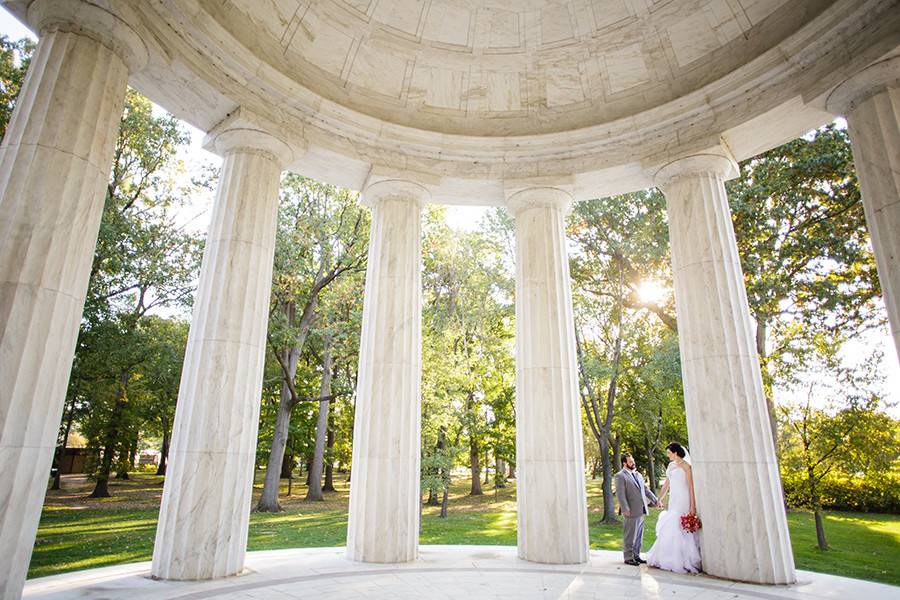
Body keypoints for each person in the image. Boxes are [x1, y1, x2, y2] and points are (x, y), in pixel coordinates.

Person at [646, 442, 702, 573]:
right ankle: (667, 557)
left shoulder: (687, 467)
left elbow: (691, 487)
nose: (668, 455)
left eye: (669, 453)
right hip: (674, 499)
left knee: (679, 526)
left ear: (676, 453)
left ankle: (683, 559)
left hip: (683, 499)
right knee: (671, 525)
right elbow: (666, 485)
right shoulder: (671, 466)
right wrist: (659, 499)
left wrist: (692, 506)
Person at [614, 453, 659, 566]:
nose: (633, 463)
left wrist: (655, 500)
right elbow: (620, 494)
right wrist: (625, 508)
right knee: (630, 535)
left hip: (641, 509)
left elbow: (645, 489)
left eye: (633, 461)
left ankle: (636, 556)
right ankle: (628, 558)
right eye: (630, 461)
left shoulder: (638, 475)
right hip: (630, 510)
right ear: (624, 463)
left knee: (639, 535)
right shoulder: (620, 476)